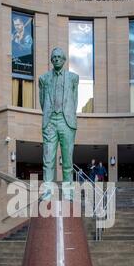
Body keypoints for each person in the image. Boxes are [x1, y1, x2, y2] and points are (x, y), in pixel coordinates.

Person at [39, 48, 79, 201]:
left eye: (59, 57)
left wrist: (66, 114)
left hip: (66, 121)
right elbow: (42, 101)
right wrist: (50, 114)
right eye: (53, 57)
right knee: (48, 159)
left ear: (64, 60)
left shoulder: (73, 78)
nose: (56, 59)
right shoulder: (43, 79)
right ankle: (48, 191)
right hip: (50, 121)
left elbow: (74, 101)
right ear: (51, 60)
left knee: (68, 160)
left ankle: (68, 192)